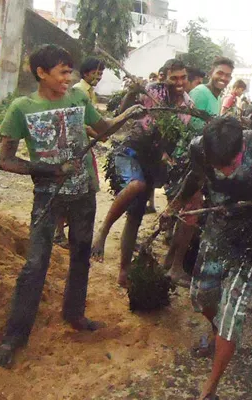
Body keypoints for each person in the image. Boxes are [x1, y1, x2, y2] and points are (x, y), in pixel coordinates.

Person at [0, 44, 144, 368]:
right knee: (35, 265)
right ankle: (14, 337)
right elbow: (5, 161)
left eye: (69, 72)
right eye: (62, 72)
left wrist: (129, 113)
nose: (68, 78)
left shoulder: (78, 99)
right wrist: (48, 170)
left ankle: (74, 315)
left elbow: (103, 130)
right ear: (41, 73)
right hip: (47, 198)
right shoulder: (22, 108)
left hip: (84, 195)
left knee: (79, 256)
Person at [166, 116, 252, 400]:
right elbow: (195, 178)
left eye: (231, 163)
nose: (227, 172)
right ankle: (219, 334)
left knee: (232, 312)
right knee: (201, 296)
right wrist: (177, 204)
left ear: (242, 145)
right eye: (219, 166)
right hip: (217, 229)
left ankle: (210, 391)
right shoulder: (198, 148)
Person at [91, 58, 195, 287]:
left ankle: (124, 272)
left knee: (135, 217)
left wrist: (167, 156)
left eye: (183, 77)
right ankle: (103, 231)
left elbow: (173, 139)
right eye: (174, 78)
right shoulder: (150, 91)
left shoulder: (187, 104)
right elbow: (123, 112)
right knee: (135, 186)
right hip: (130, 152)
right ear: (164, 76)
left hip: (152, 162)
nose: (179, 82)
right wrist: (131, 92)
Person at [53, 57, 107, 248]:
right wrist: (96, 132)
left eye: (101, 74)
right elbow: (78, 123)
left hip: (83, 147)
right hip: (73, 148)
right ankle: (59, 233)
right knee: (69, 191)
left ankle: (65, 233)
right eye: (95, 73)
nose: (98, 77)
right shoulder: (79, 91)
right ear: (86, 74)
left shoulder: (88, 92)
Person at [189, 57, 235, 132]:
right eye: (220, 73)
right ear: (211, 74)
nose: (223, 78)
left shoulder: (218, 98)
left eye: (227, 75)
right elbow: (192, 127)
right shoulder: (200, 92)